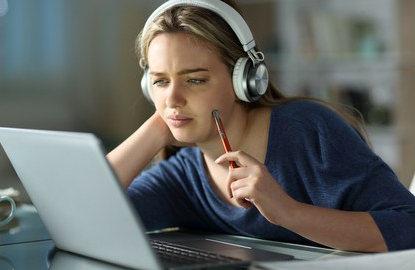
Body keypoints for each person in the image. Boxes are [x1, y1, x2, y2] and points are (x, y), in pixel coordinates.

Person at [107, 0, 415, 253]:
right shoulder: (183, 177)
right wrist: (158, 128)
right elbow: (78, 217)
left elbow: (408, 226)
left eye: (195, 79)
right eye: (160, 81)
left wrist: (287, 212)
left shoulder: (309, 132)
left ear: (245, 80)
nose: (173, 97)